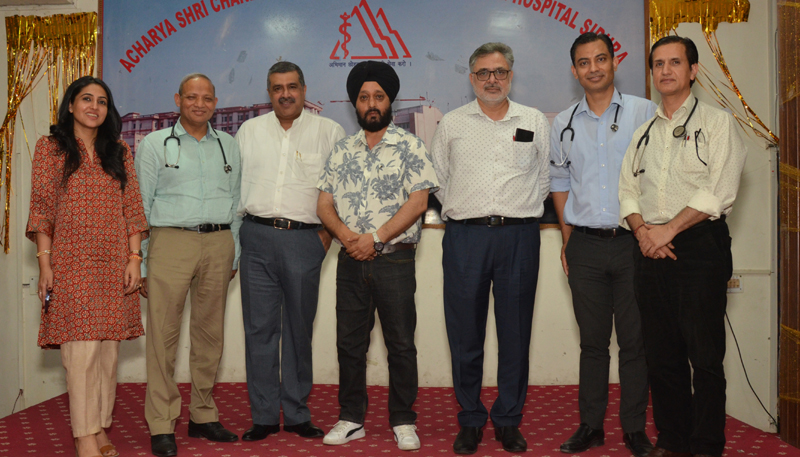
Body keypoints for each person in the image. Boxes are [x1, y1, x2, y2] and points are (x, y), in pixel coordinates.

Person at [618, 36, 746, 457]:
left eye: (676, 62)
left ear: (693, 70)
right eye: (658, 64)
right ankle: (672, 441)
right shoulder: (642, 133)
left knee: (705, 358)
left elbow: (719, 191)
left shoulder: (718, 123)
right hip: (649, 249)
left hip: (698, 247)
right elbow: (628, 193)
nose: (666, 71)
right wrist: (643, 234)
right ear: (652, 73)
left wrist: (668, 230)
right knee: (661, 356)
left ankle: (706, 445)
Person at [430, 42, 550, 455]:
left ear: (511, 75)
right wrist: (469, 214)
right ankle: (470, 420)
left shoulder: (533, 120)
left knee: (515, 335)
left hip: (519, 237)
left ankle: (508, 420)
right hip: (466, 237)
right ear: (471, 78)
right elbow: (440, 180)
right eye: (483, 73)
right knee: (465, 336)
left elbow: (545, 179)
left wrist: (516, 214)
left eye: (499, 72)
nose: (492, 79)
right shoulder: (452, 124)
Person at [316, 60, 438, 451]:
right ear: (355, 103)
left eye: (379, 97)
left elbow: (418, 202)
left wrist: (376, 237)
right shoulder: (341, 149)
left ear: (389, 102)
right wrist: (350, 238)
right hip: (350, 258)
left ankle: (404, 420)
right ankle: (352, 418)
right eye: (364, 97)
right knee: (349, 345)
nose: (371, 103)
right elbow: (323, 205)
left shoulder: (410, 146)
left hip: (395, 260)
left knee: (401, 343)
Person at [27, 75, 149, 457]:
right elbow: (42, 209)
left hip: (114, 262)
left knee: (107, 355)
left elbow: (133, 209)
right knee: (80, 354)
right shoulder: (50, 148)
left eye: (101, 100)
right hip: (71, 262)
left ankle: (98, 427)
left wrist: (134, 259)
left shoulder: (119, 151)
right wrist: (45, 264)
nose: (93, 106)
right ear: (70, 105)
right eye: (86, 99)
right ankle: (83, 436)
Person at [550, 32, 656, 457]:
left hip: (634, 245)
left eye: (600, 59)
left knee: (634, 343)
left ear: (614, 63)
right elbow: (559, 181)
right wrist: (566, 236)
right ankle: (590, 426)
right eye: (584, 62)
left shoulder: (643, 112)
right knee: (592, 344)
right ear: (574, 70)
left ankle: (633, 429)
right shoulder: (564, 122)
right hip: (585, 247)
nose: (593, 68)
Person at [235, 61, 344, 441]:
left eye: (292, 86)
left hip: (305, 241)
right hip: (256, 237)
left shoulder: (329, 131)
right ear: (269, 92)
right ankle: (263, 415)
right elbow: (235, 190)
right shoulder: (249, 131)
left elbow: (340, 192)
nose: (285, 94)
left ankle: (297, 413)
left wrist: (324, 240)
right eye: (277, 87)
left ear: (303, 88)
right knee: (259, 331)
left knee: (298, 330)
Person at [135, 73, 242, 457]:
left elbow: (237, 202)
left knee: (210, 336)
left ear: (216, 102)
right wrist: (142, 260)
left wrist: (236, 250)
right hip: (169, 242)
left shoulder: (229, 144)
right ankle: (162, 424)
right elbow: (141, 205)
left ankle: (202, 415)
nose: (200, 104)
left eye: (207, 98)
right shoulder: (153, 143)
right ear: (178, 99)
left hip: (219, 242)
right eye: (192, 97)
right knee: (163, 338)